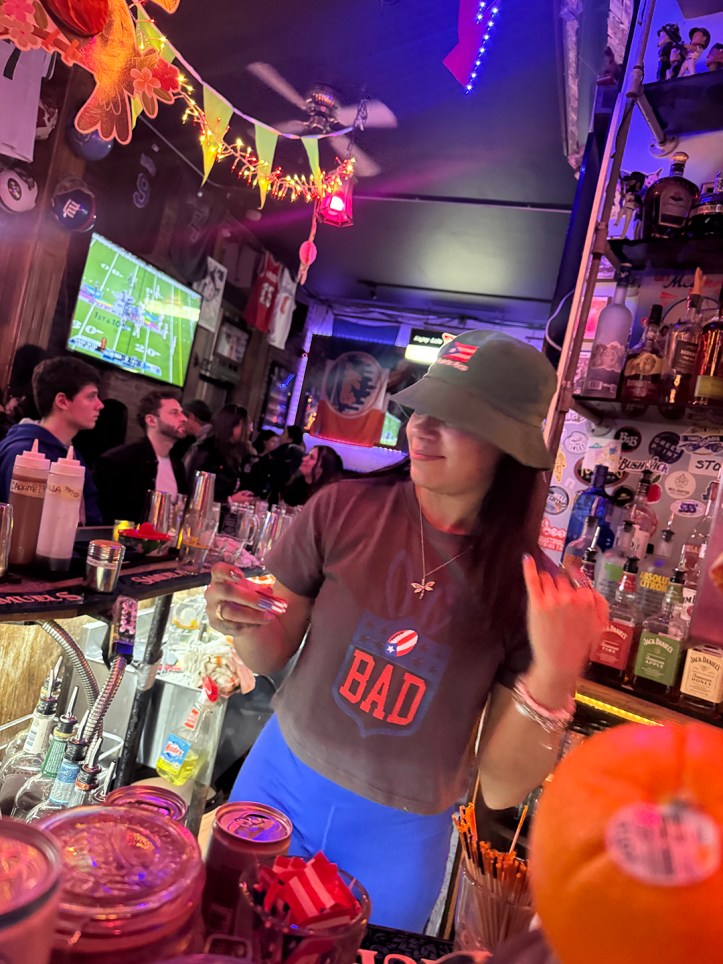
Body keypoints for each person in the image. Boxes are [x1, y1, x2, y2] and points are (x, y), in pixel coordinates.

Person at [205, 330, 608, 932]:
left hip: (397, 839)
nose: (421, 427)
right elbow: (268, 653)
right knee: (227, 938)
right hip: (278, 786)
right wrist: (236, 618)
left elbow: (501, 788)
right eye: (421, 408)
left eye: (454, 417)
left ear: (508, 444)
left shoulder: (531, 589)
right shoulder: (340, 509)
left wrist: (555, 673)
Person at [0, 356, 103, 523]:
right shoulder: (23, 452)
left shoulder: (71, 454)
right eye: (91, 397)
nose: (100, 405)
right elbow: (20, 526)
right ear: (62, 401)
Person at [94, 389, 188, 523]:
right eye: (174, 413)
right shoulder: (119, 461)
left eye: (182, 413)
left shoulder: (178, 466)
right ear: (151, 420)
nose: (184, 418)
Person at [184, 403, 254, 503]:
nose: (250, 430)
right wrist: (229, 500)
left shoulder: (234, 452)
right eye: (245, 425)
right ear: (231, 426)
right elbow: (197, 493)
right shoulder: (207, 451)